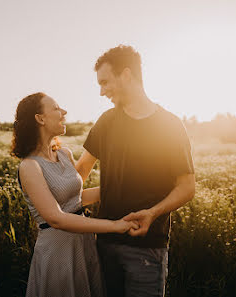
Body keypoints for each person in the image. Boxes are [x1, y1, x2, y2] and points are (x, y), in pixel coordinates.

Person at [76, 45, 196, 297]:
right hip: (105, 243)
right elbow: (82, 170)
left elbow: (186, 187)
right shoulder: (106, 121)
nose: (101, 91)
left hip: (147, 249)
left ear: (127, 75)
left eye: (105, 82)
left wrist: (152, 213)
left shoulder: (170, 125)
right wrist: (56, 210)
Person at [12, 92, 138, 297]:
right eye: (56, 108)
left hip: (84, 243)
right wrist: (114, 226)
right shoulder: (29, 167)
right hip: (58, 251)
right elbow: (57, 218)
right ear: (40, 118)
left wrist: (123, 188)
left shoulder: (64, 154)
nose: (64, 112)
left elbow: (77, 200)